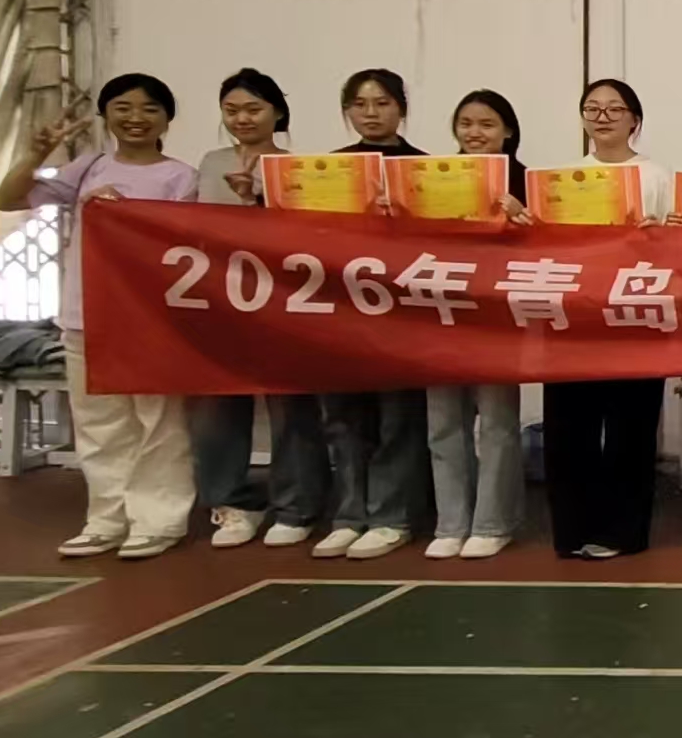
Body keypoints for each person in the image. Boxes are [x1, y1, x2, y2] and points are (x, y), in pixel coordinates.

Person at [0, 74, 199, 559]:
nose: (135, 118)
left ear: (167, 119)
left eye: (149, 109)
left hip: (150, 319)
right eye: (123, 108)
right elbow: (7, 199)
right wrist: (35, 155)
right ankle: (107, 519)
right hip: (84, 316)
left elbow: (184, 245)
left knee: (159, 423)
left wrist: (132, 217)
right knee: (99, 423)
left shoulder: (181, 177)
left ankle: (159, 520)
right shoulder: (87, 168)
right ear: (106, 116)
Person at [186, 67, 329, 550]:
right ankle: (232, 503)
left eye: (253, 109)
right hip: (220, 301)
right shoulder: (209, 164)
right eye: (231, 111)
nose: (242, 119)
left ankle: (296, 506)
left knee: (291, 408)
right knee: (217, 409)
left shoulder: (297, 169)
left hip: (283, 306)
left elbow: (308, 237)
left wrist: (258, 198)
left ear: (278, 113)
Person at [542, 78, 675, 559]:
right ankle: (573, 531)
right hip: (574, 321)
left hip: (635, 317)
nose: (602, 117)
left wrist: (663, 233)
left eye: (614, 109)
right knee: (569, 429)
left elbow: (678, 247)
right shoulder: (560, 181)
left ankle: (623, 532)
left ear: (634, 120)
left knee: (630, 430)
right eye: (592, 108)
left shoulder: (657, 177)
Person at [312, 69, 432, 561]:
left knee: (397, 419)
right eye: (360, 104)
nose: (371, 113)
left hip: (402, 315)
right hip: (341, 312)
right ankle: (348, 515)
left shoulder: (424, 169)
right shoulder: (325, 170)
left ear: (401, 108)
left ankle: (391, 516)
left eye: (382, 103)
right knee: (342, 419)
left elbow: (446, 242)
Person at [422, 89, 532, 560]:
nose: (475, 132)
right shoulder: (432, 179)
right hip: (441, 312)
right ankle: (451, 522)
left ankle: (493, 522)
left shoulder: (527, 182)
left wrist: (523, 221)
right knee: (443, 421)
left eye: (487, 124)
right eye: (466, 123)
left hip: (497, 318)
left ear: (507, 131)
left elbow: (553, 249)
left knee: (497, 421)